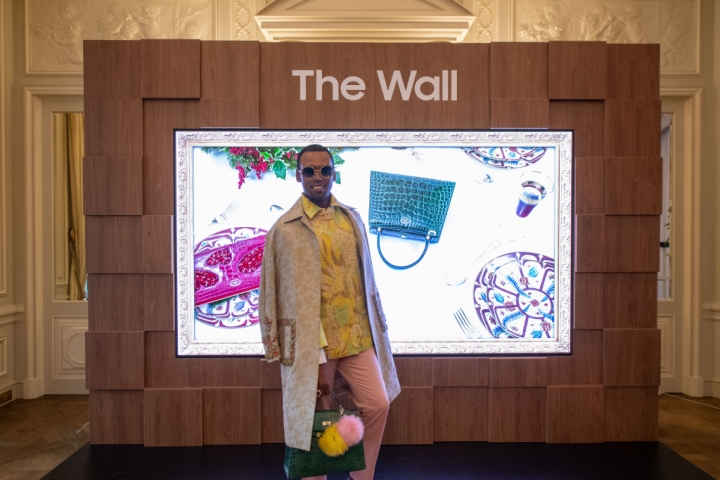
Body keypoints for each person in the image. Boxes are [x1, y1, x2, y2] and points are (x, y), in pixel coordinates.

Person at [259, 144, 401, 480]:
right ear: (298, 176)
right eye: (309, 171)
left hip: (356, 335)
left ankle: (361, 476)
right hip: (315, 344)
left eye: (324, 170)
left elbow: (366, 279)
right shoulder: (286, 229)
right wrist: (314, 355)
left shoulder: (351, 218)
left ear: (334, 173)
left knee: (377, 403)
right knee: (316, 419)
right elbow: (273, 290)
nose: (318, 177)